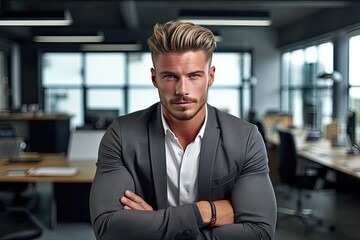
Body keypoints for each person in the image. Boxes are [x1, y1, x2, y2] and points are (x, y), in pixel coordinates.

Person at [90, 20, 277, 240]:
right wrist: (204, 212)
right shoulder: (122, 134)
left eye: (194, 75)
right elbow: (107, 227)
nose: (182, 90)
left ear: (211, 76)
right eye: (170, 76)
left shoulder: (245, 138)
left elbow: (259, 233)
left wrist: (155, 226)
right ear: (154, 78)